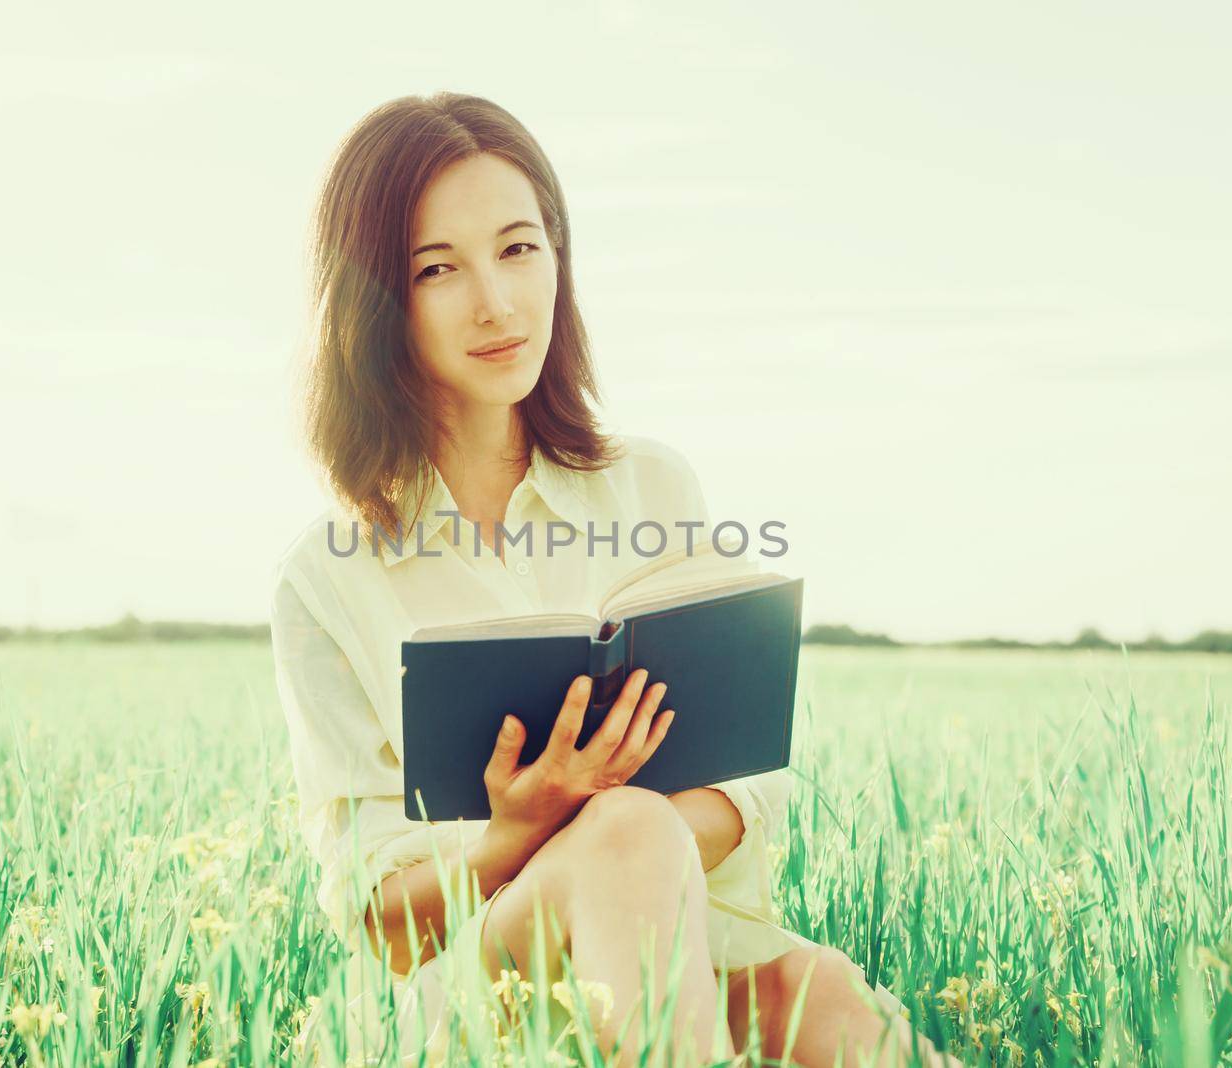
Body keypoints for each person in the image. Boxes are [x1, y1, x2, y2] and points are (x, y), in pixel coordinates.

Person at [271, 91, 961, 1068]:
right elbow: (376, 919)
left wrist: (622, 840)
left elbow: (753, 781)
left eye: (518, 248)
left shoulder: (650, 484)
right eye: (438, 268)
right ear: (376, 297)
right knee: (626, 831)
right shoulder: (323, 581)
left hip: (686, 934)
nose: (497, 303)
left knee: (832, 1005)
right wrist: (523, 834)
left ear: (559, 255)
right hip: (479, 978)